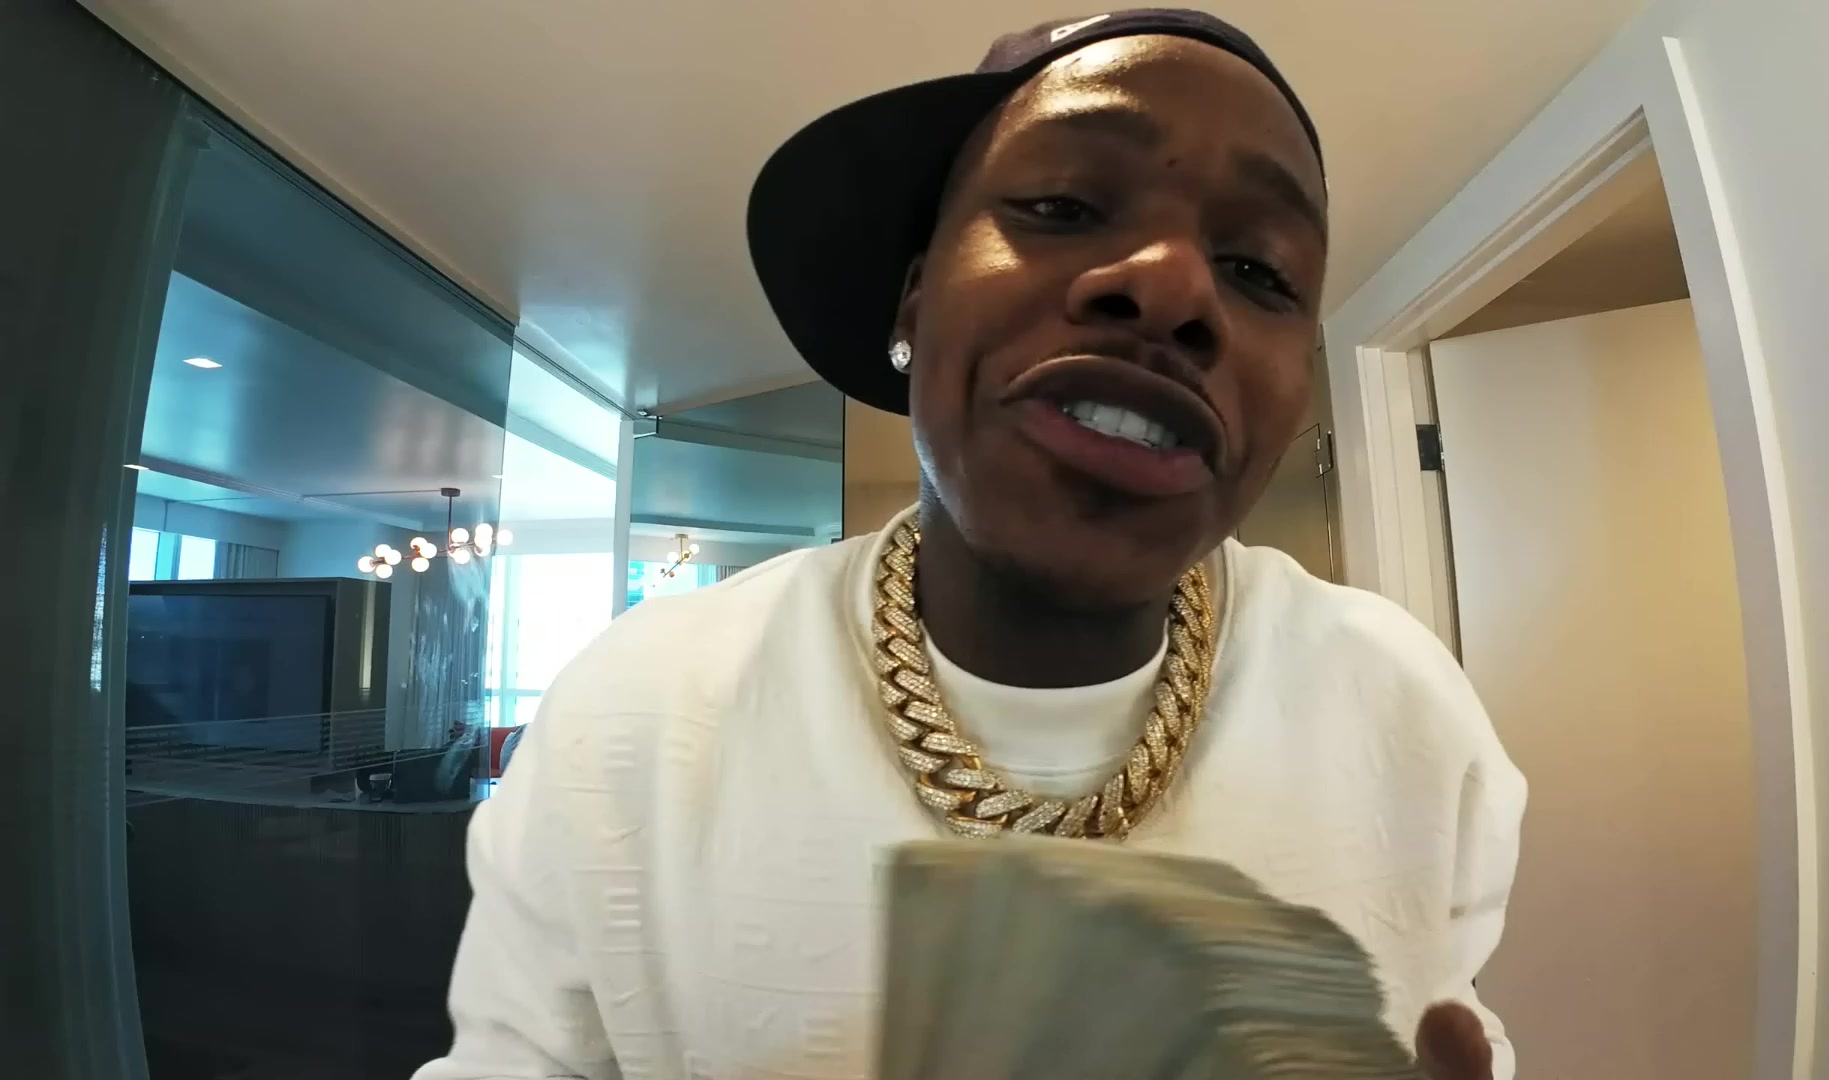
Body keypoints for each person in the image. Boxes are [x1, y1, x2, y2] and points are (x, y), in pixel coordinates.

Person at [416, 10, 1523, 1080]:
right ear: (913, 301)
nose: (1173, 286)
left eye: (1261, 271)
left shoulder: (1403, 710)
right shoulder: (636, 714)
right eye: (1062, 203)